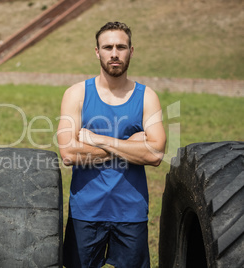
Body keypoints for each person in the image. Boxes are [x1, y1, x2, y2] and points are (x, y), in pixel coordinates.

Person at [57, 22, 166, 267]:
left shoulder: (147, 96)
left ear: (131, 51)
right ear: (97, 51)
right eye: (108, 47)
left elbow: (156, 153)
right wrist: (132, 145)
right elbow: (68, 153)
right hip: (86, 210)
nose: (114, 53)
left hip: (131, 211)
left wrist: (98, 139)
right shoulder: (76, 94)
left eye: (121, 47)